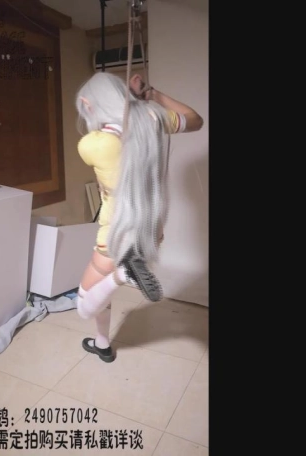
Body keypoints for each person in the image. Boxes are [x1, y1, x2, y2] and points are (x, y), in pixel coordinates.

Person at [73, 72, 203, 362]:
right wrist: (152, 95)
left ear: (88, 104)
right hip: (150, 230)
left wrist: (130, 102)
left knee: (84, 304)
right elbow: (195, 120)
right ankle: (102, 343)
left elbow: (113, 140)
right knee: (102, 292)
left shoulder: (93, 144)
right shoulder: (154, 119)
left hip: (116, 234)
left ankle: (125, 274)